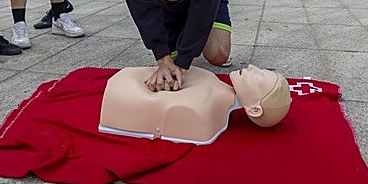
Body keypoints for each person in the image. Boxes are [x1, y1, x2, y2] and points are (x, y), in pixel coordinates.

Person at [99, 65, 291, 144]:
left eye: (258, 78)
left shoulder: (203, 109)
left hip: (124, 94)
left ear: (255, 110)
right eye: (261, 69)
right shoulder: (213, 84)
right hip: (128, 85)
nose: (251, 67)